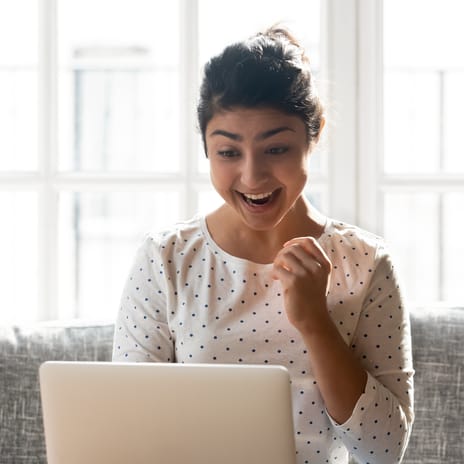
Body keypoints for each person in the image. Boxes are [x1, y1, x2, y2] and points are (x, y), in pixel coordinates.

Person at [112, 26, 414, 464]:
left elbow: (383, 452)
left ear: (315, 135)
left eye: (276, 149)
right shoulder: (166, 259)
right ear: (206, 148)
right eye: (229, 153)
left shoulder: (366, 262)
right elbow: (124, 429)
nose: (253, 178)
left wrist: (315, 323)